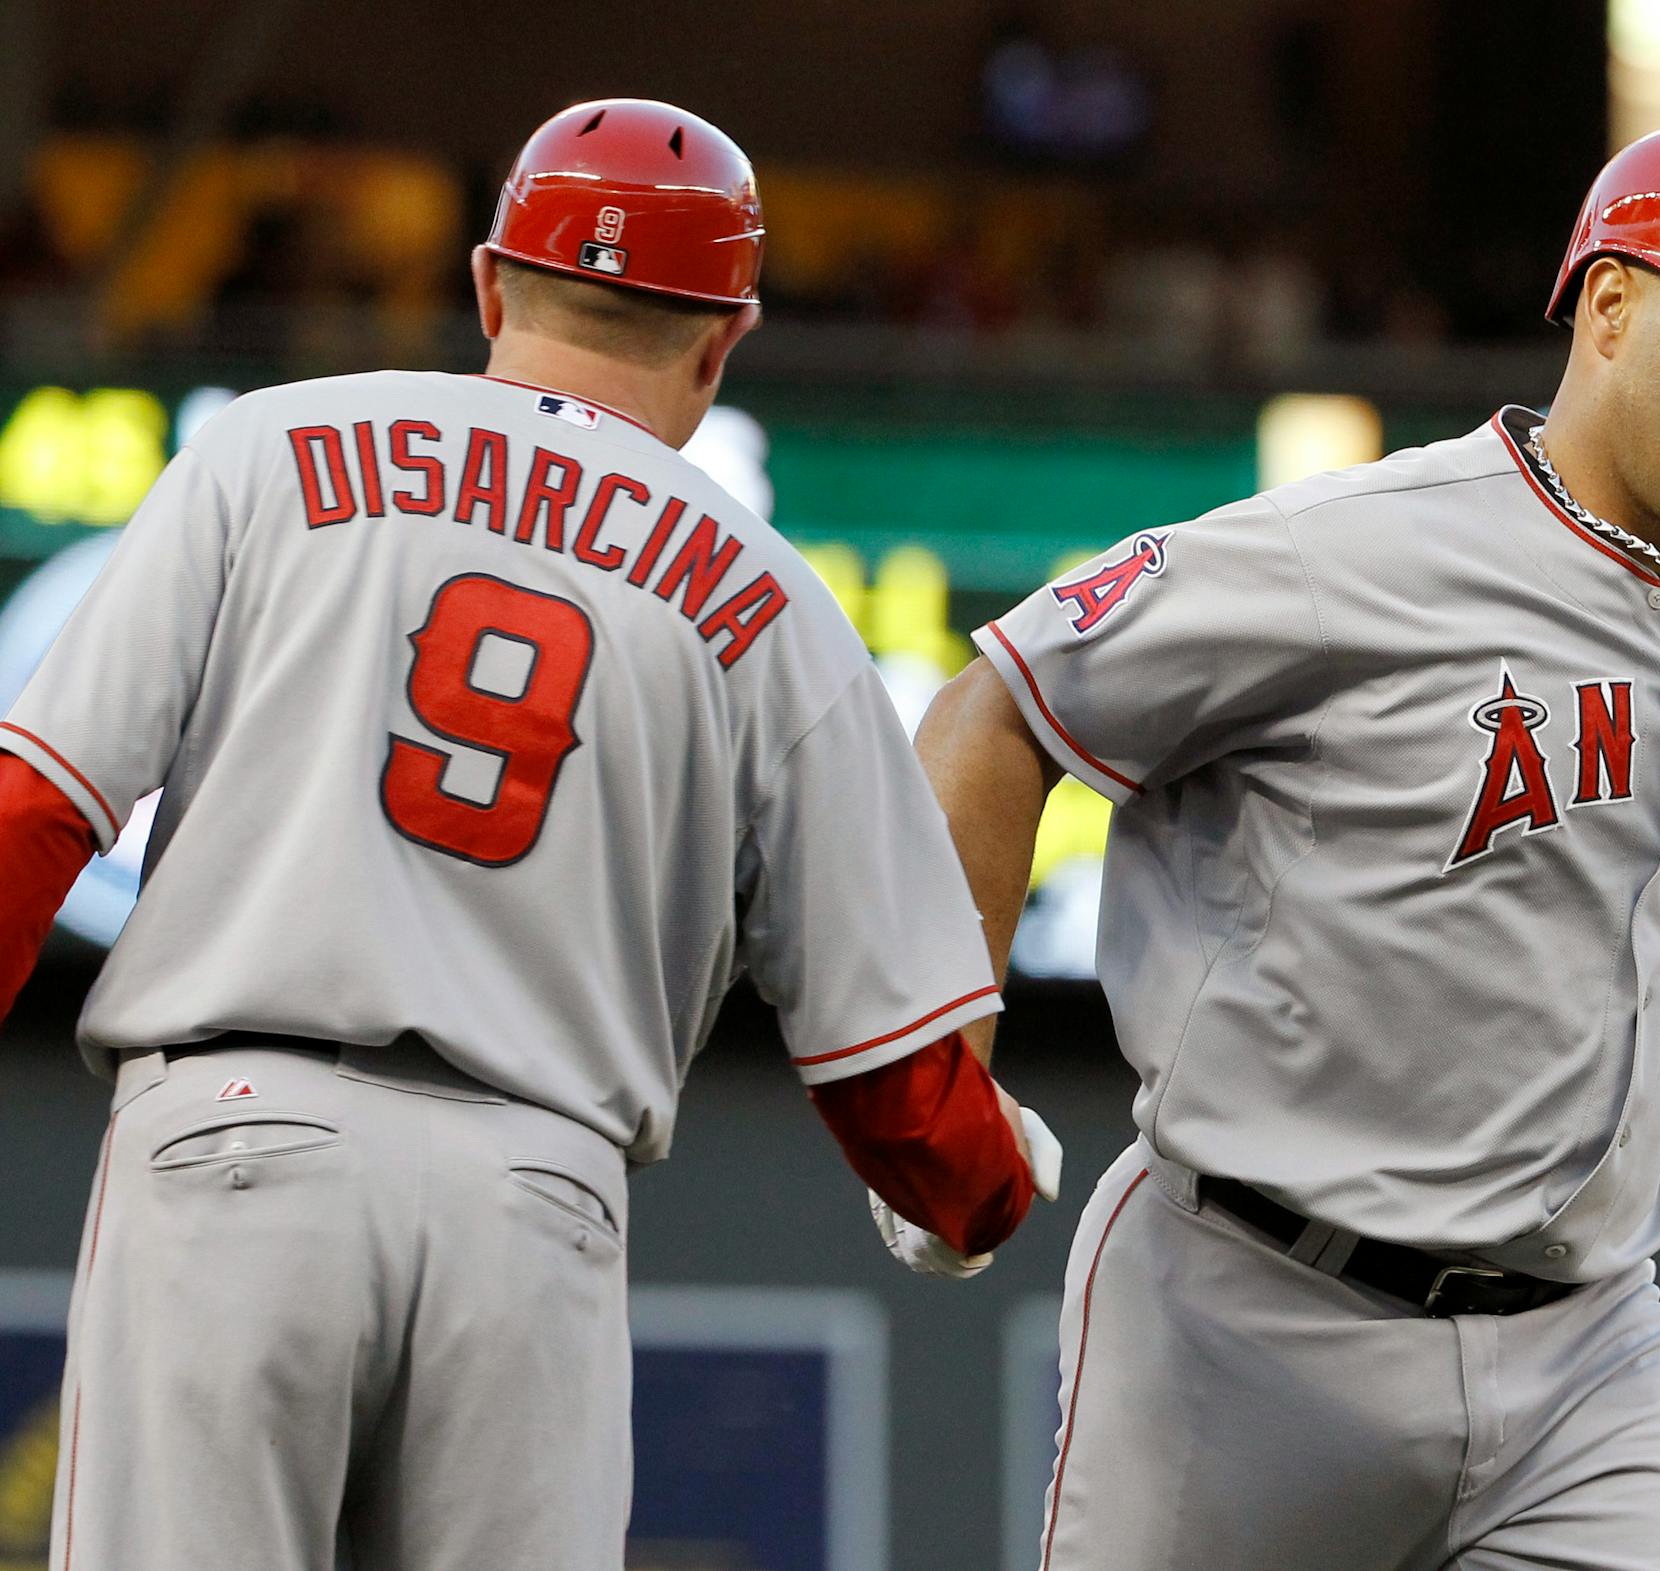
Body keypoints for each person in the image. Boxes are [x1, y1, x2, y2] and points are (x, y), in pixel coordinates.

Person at [0, 97, 1054, 1571]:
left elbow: (32, 816)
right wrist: (982, 1191)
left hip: (233, 1145)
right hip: (534, 1197)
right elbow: (899, 1073)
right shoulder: (773, 599)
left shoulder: (270, 451)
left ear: (492, 283)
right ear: (724, 335)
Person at [912, 122, 1660, 1569]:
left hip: (1588, 1350)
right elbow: (999, 706)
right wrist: (930, 1080)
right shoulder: (1360, 551)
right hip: (1249, 1313)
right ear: (1612, 306)